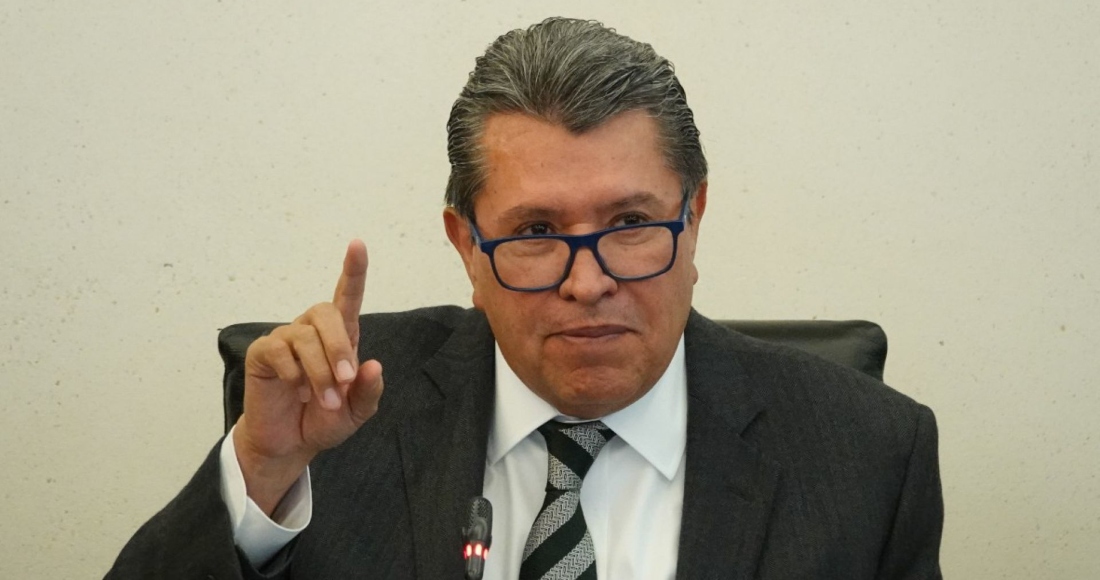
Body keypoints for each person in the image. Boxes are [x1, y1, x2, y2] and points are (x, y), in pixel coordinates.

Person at [107, 17, 943, 579]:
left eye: (630, 224)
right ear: (467, 246)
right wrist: (262, 472)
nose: (588, 282)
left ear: (694, 218)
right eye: (536, 231)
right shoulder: (337, 418)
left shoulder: (867, 454)